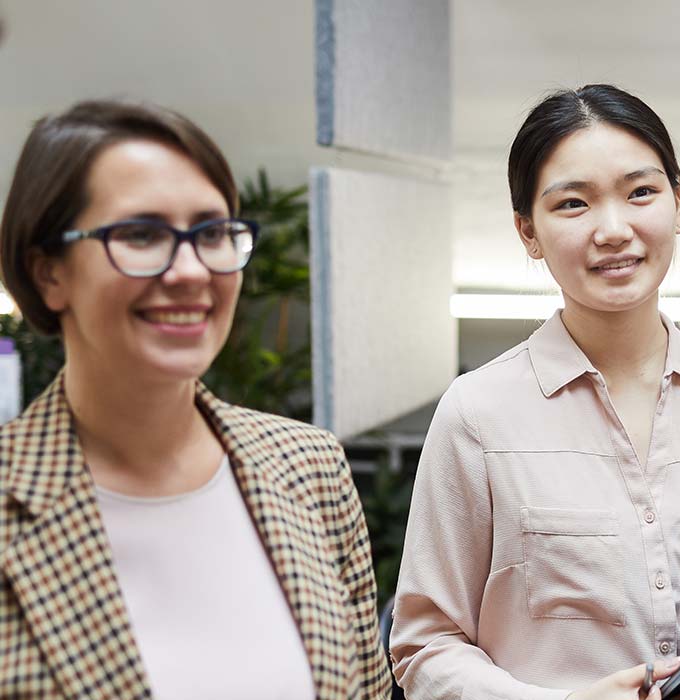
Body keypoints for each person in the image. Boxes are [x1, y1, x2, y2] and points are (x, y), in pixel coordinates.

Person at [389, 84, 680, 700]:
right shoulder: (477, 414)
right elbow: (425, 644)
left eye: (641, 193)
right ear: (528, 232)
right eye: (574, 204)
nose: (614, 230)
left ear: (678, 204)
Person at [0, 100, 390, 698]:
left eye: (211, 233)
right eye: (140, 234)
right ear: (49, 272)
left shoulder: (310, 467)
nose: (189, 271)